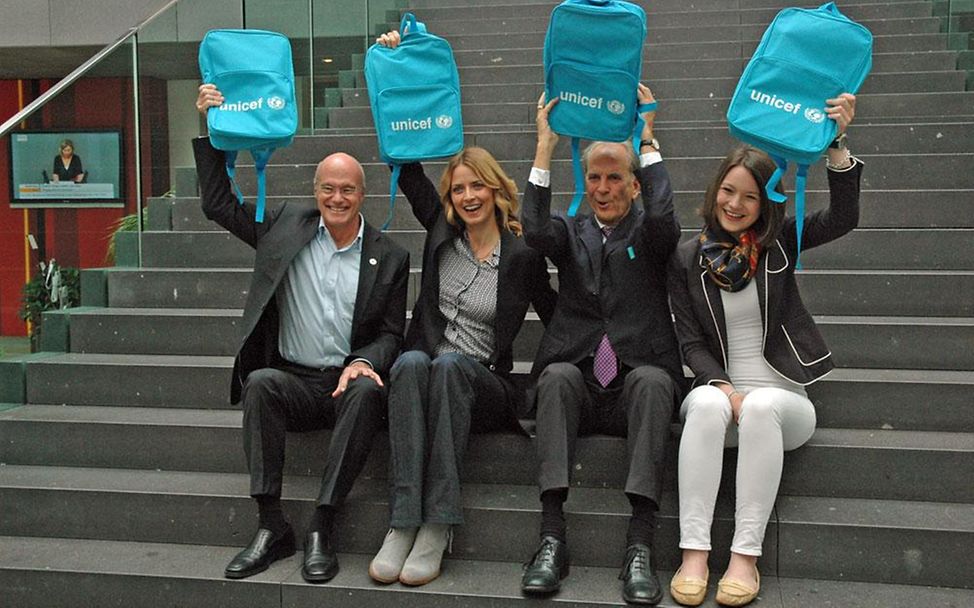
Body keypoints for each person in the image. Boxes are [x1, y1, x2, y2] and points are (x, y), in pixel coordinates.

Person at [193, 84, 410, 584]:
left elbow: (392, 334)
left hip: (343, 383)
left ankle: (322, 526)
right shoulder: (286, 226)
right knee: (261, 382)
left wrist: (365, 361)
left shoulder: (390, 255)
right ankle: (272, 525)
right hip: (293, 378)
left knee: (364, 388)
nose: (338, 198)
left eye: (348, 189)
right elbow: (219, 205)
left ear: (363, 194)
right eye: (329, 188)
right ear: (316, 192)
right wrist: (209, 129)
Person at [367, 29, 558, 587]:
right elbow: (407, 166)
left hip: (484, 384)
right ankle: (404, 520)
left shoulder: (521, 255)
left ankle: (439, 523)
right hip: (426, 372)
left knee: (447, 365)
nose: (467, 197)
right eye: (457, 190)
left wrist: (579, 369)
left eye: (478, 187)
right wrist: (399, 63)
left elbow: (558, 316)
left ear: (497, 191)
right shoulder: (440, 234)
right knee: (409, 362)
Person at [665, 94, 860, 607]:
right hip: (719, 398)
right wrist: (723, 386)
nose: (735, 204)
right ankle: (694, 554)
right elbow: (689, 340)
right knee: (705, 402)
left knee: (762, 405)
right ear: (715, 192)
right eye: (729, 191)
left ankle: (745, 558)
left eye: (749, 197)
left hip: (781, 403)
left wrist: (836, 145)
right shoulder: (689, 256)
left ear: (765, 202)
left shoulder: (780, 244)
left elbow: (842, 217)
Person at [520, 85, 683, 606]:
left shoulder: (651, 233)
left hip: (636, 381)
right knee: (556, 377)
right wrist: (545, 148)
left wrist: (649, 140)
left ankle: (640, 544)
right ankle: (551, 538)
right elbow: (534, 232)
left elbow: (664, 220)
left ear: (635, 186)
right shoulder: (570, 230)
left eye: (615, 178)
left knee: (657, 382)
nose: (603, 187)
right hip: (582, 383)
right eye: (595, 177)